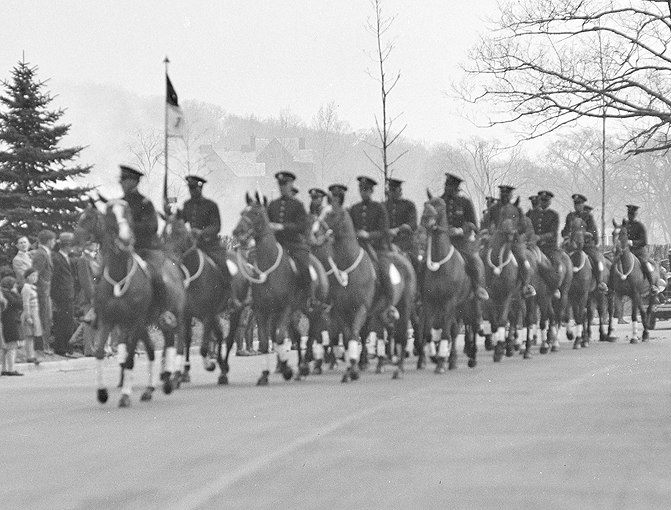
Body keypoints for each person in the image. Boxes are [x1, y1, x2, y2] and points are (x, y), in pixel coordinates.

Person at [118, 164, 173, 326]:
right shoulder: (119, 203)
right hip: (126, 249)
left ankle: (164, 312)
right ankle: (98, 310)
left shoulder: (145, 203)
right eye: (121, 180)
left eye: (125, 180)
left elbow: (152, 226)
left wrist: (129, 226)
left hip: (146, 248)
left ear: (134, 182)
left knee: (155, 276)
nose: (121, 183)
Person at [349, 176, 396, 314]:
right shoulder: (354, 209)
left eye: (366, 190)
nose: (363, 193)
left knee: (384, 272)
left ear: (371, 191)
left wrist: (369, 235)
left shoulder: (379, 208)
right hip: (359, 248)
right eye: (361, 190)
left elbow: (384, 231)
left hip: (377, 248)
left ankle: (390, 304)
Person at [177, 175, 231, 286]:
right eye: (190, 189)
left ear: (200, 188)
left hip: (210, 245)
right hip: (193, 246)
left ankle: (230, 296)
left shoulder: (211, 205)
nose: (191, 191)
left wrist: (202, 232)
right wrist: (171, 212)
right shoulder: (187, 205)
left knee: (222, 266)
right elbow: (181, 219)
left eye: (194, 188)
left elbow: (216, 226)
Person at [484, 184, 536, 297]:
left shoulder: (517, 209)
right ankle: (482, 285)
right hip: (497, 239)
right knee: (482, 255)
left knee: (523, 260)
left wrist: (514, 230)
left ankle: (525, 286)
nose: (505, 197)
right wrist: (489, 232)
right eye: (502, 194)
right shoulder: (494, 208)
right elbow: (486, 223)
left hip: (514, 241)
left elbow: (523, 226)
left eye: (507, 195)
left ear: (511, 196)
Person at [267, 171, 311, 293]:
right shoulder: (272, 205)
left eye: (285, 184)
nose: (282, 187)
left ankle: (308, 299)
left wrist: (282, 227)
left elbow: (302, 226)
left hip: (294, 244)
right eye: (280, 184)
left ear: (291, 184)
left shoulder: (298, 205)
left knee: (304, 267)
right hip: (276, 244)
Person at [561, 194, 607, 292]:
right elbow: (565, 230)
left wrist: (585, 236)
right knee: (559, 259)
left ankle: (600, 283)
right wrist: (566, 236)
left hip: (586, 246)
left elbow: (593, 232)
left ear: (583, 205)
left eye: (579, 204)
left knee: (597, 261)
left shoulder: (588, 217)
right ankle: (559, 284)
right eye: (575, 204)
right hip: (571, 246)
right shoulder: (570, 216)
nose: (577, 206)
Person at [51, 232, 76, 357]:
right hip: (62, 296)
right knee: (63, 322)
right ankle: (61, 349)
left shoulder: (67, 258)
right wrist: (55, 297)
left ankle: (67, 348)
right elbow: (54, 279)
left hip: (68, 295)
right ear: (67, 245)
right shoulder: (57, 258)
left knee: (68, 322)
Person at [624, 204, 659, 294]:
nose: (630, 216)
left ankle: (652, 285)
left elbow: (644, 241)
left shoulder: (640, 226)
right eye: (629, 214)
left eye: (632, 214)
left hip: (639, 251)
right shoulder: (625, 225)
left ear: (636, 215)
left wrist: (632, 242)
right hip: (627, 251)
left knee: (645, 263)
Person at [31, 229, 55, 353]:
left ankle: (44, 346)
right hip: (42, 291)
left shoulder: (44, 252)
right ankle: (43, 347)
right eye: (53, 240)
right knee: (44, 318)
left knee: (47, 318)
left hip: (46, 290)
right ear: (49, 241)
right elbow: (36, 273)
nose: (54, 243)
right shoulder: (41, 253)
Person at [385, 178, 417, 256]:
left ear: (399, 190)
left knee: (416, 261)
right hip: (387, 241)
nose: (391, 193)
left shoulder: (409, 205)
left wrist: (398, 229)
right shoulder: (384, 206)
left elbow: (413, 224)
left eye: (394, 190)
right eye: (390, 190)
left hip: (404, 243)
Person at [1, 276, 24, 376]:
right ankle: (11, 369)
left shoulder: (2, 293)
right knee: (12, 347)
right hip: (10, 321)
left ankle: (4, 368)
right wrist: (15, 293)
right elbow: (18, 303)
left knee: (4, 348)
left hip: (4, 321)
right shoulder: (8, 294)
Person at [21, 267, 42, 365]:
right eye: (32, 276)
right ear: (27, 277)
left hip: (35, 312)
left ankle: (31, 355)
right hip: (30, 313)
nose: (34, 278)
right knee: (29, 335)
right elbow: (25, 303)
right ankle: (29, 356)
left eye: (36, 276)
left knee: (33, 335)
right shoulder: (26, 288)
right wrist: (28, 316)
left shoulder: (32, 287)